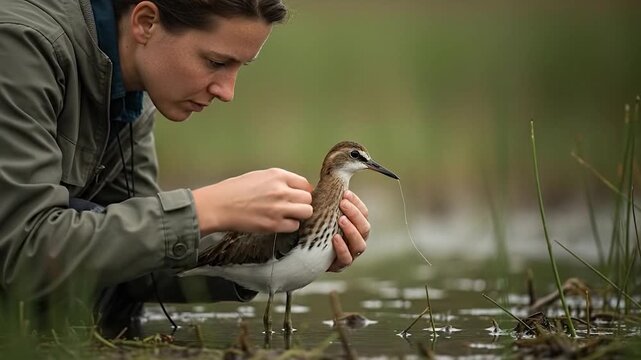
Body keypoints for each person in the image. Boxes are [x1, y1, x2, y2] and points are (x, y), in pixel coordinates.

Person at [0, 0, 370, 336]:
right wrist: (203, 210)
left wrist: (277, 257)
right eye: (215, 62)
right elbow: (20, 250)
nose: (228, 92)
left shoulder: (134, 95)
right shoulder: (22, 47)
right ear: (146, 23)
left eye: (241, 66)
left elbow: (133, 265)